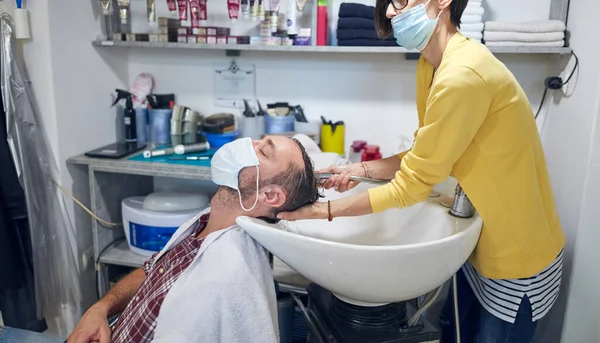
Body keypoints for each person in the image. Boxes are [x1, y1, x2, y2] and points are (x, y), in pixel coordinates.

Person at [276, 1, 566, 342]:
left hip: (517, 256)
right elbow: (424, 154)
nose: (388, 12)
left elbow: (408, 189)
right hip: (479, 240)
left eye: (400, 1)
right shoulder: (434, 64)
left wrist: (319, 211)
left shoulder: (463, 75)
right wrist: (355, 169)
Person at [65, 136, 321, 343]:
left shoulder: (227, 272)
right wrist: (99, 309)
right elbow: (152, 270)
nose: (248, 142)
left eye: (264, 152)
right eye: (259, 140)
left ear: (271, 196)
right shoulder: (205, 223)